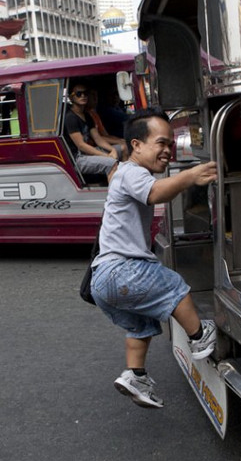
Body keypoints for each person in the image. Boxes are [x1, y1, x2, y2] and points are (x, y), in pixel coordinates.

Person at [90, 107, 218, 409]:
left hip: (104, 281)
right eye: (161, 143)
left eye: (171, 144)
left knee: (141, 325)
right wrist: (190, 176)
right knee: (174, 287)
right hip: (122, 271)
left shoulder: (125, 173)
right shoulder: (132, 172)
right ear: (137, 145)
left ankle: (135, 375)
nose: (168, 150)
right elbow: (156, 193)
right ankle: (200, 336)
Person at [63, 82, 119, 180]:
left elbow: (98, 139)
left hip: (89, 152)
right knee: (112, 163)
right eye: (79, 94)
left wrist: (112, 150)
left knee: (122, 148)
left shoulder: (87, 115)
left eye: (85, 93)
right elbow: (81, 146)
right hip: (78, 158)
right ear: (71, 98)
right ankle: (116, 195)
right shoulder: (70, 118)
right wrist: (106, 156)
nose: (83, 96)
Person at [86, 88, 127, 160]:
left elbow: (105, 135)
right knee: (124, 147)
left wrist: (121, 140)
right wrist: (118, 142)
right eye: (92, 95)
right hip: (93, 148)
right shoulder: (87, 115)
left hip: (102, 144)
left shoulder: (94, 114)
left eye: (96, 95)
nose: (95, 98)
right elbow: (97, 138)